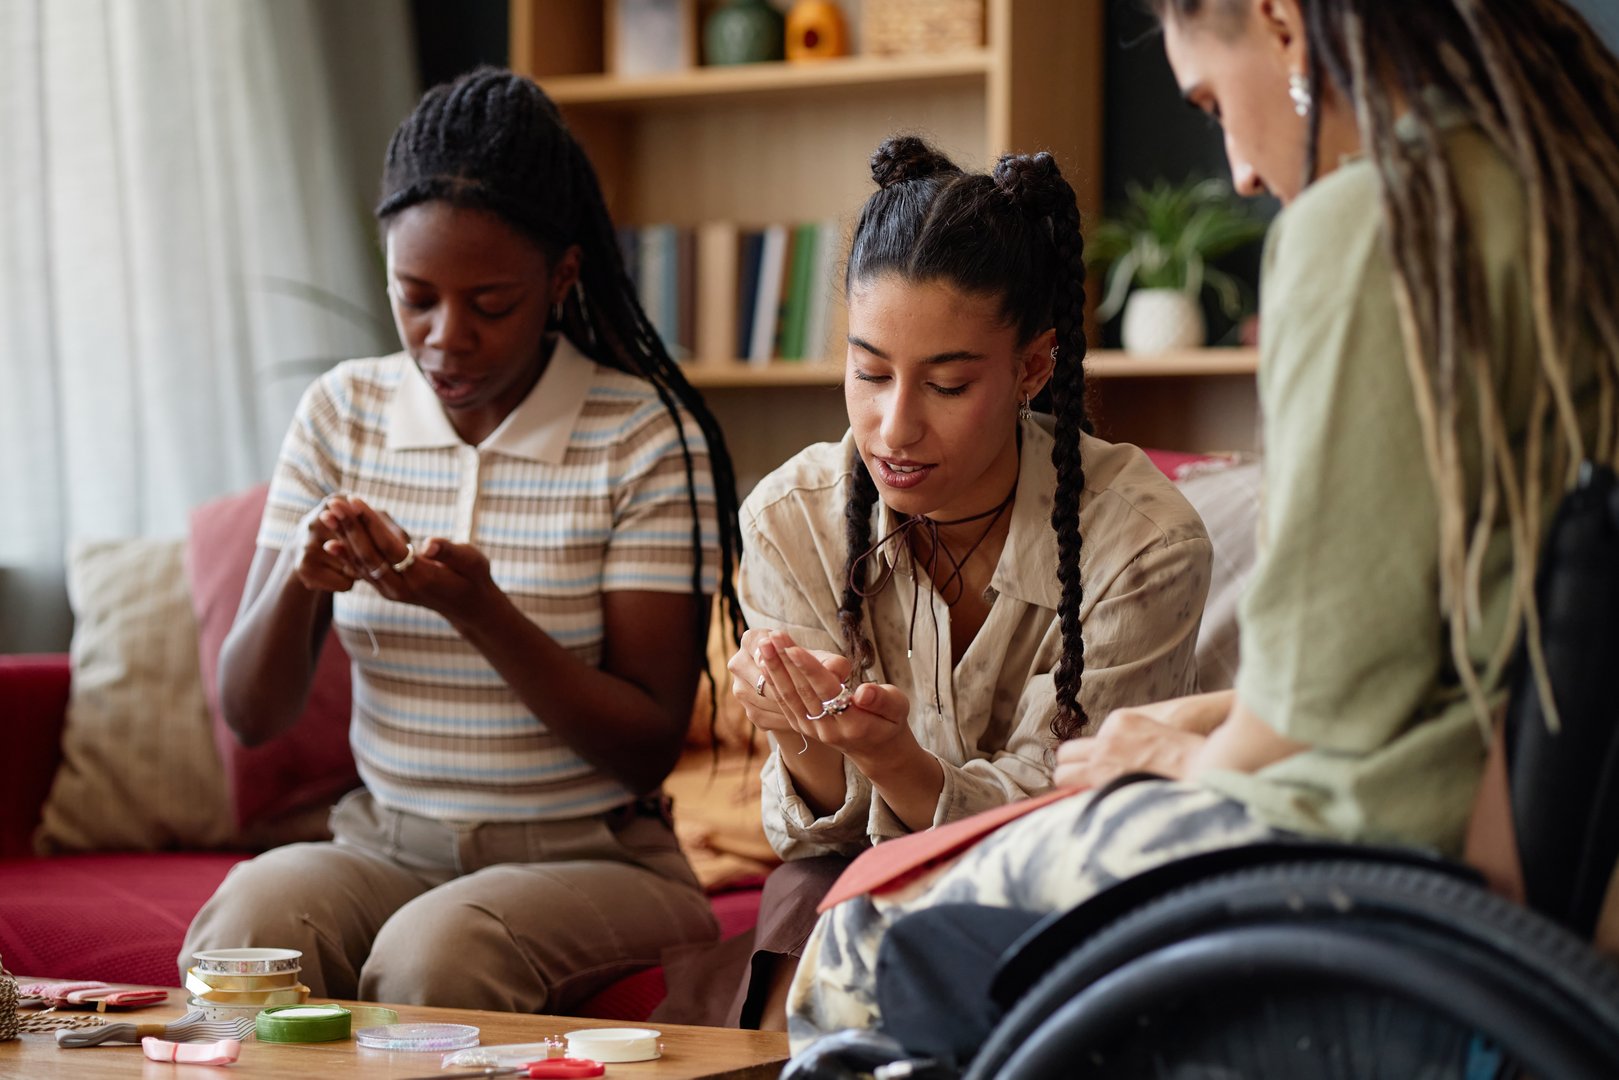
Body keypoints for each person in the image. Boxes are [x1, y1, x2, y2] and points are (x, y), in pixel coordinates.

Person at [785, 0, 1617, 1048]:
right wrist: (1186, 722)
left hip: (1375, 856)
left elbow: (1322, 705)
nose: (1241, 174)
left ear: (1279, 20)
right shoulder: (1566, 185)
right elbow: (1437, 651)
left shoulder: (1378, 221)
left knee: (856, 946)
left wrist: (1181, 762)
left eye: (1213, 101)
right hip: (1533, 853)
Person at [180, 68, 747, 1013]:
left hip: (592, 855)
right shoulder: (341, 414)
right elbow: (250, 713)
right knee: (251, 927)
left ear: (560, 279)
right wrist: (298, 582)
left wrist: (479, 611)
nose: (446, 340)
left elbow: (644, 749)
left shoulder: (642, 436)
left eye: (490, 305)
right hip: (384, 841)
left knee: (435, 953)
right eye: (415, 299)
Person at [693, 136, 1213, 1031]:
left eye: (945, 383)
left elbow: (1069, 820)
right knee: (812, 916)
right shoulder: (790, 517)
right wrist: (800, 726)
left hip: (1063, 893)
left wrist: (898, 761)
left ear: (1031, 369)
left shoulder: (1143, 540)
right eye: (868, 372)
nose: (892, 427)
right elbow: (814, 838)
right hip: (845, 876)